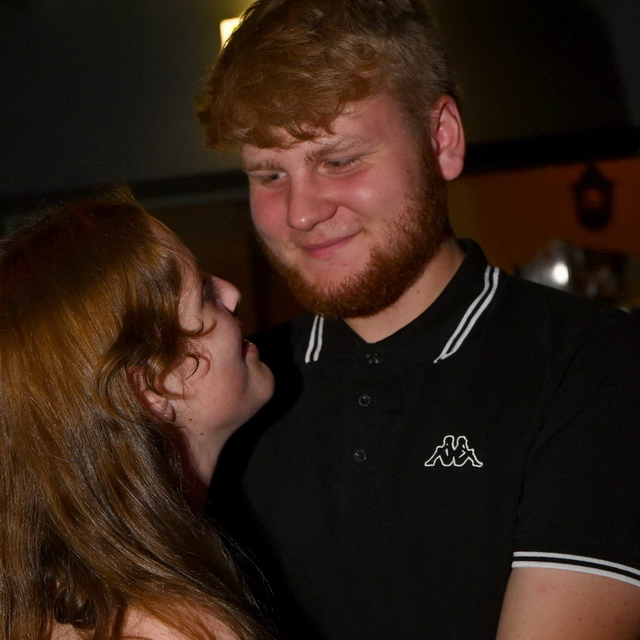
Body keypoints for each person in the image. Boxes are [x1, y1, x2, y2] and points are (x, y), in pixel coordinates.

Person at [197, 0, 640, 638]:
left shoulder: (594, 365)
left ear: (442, 140)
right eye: (269, 174)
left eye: (338, 160)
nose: (300, 212)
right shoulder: (235, 392)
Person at [0, 192, 276, 640]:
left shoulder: (39, 602)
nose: (231, 292)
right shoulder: (181, 629)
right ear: (150, 389)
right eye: (203, 294)